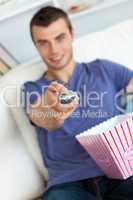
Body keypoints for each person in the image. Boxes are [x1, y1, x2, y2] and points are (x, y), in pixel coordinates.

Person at [22, 6, 133, 200]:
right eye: (43, 43)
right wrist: (53, 108)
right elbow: (42, 117)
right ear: (36, 46)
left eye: (60, 38)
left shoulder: (103, 69)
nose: (54, 50)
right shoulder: (33, 89)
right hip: (69, 185)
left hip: (121, 174)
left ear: (72, 34)